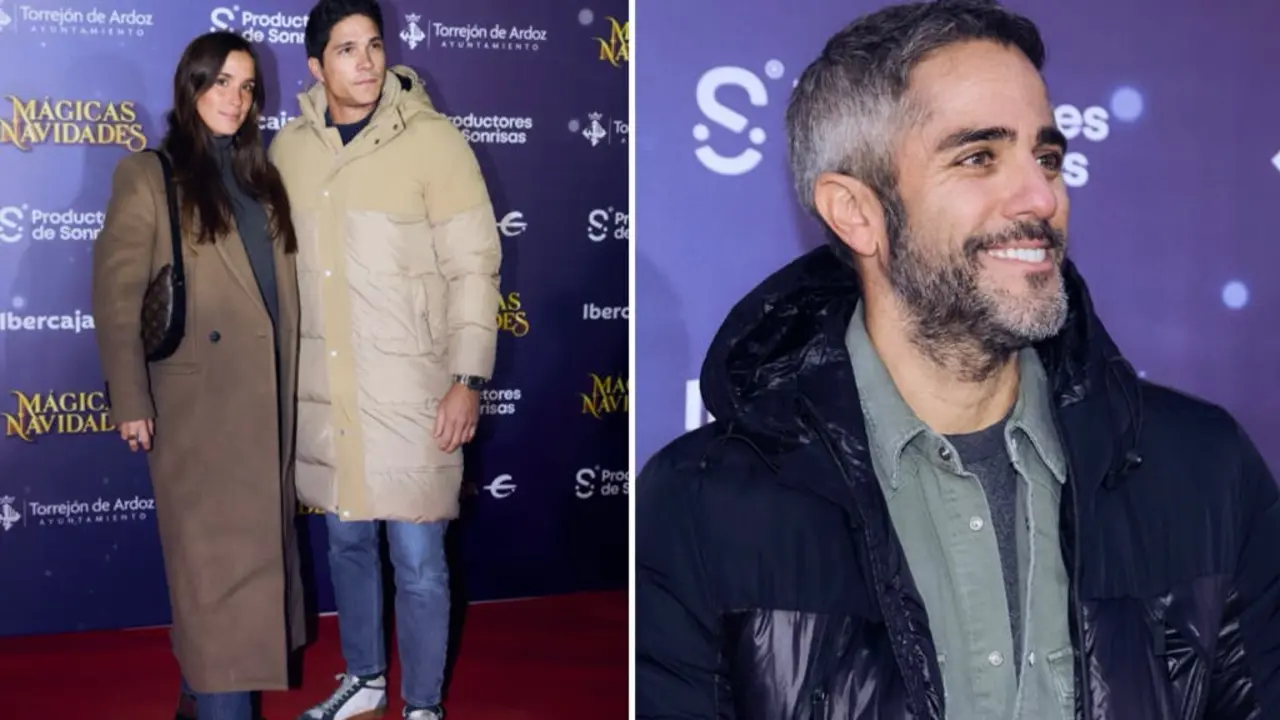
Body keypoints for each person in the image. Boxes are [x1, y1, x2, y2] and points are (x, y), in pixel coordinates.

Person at [635, 1, 1280, 718]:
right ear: (856, 212)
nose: (1042, 196)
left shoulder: (1206, 470)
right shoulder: (699, 503)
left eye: (1047, 157)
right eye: (979, 157)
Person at [268, 0, 502, 718]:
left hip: (415, 393)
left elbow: (474, 267)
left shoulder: (435, 142)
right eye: (345, 49)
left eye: (373, 44)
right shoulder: (288, 153)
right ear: (316, 66)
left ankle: (423, 704)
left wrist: (467, 379)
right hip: (326, 396)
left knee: (420, 563)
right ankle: (365, 678)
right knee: (346, 545)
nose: (365, 61)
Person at [91, 30, 305, 720]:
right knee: (215, 591)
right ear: (190, 87)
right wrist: (129, 398)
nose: (234, 99)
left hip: (263, 409)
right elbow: (117, 296)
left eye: (246, 87)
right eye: (220, 83)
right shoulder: (149, 174)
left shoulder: (260, 178)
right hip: (197, 415)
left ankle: (201, 697)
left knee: (238, 588)